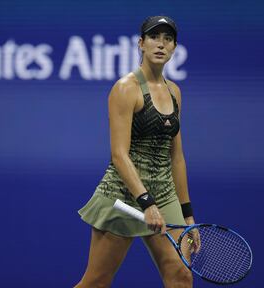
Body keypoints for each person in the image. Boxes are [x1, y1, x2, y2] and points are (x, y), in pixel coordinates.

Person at [75, 16, 198, 288]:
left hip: (165, 195)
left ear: (174, 48)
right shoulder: (124, 89)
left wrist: (187, 213)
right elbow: (119, 155)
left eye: (168, 39)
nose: (161, 44)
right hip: (124, 195)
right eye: (154, 37)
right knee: (97, 282)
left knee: (181, 276)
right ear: (141, 44)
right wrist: (146, 202)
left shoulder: (175, 92)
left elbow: (176, 156)